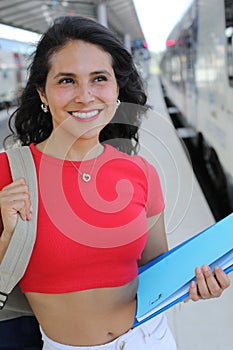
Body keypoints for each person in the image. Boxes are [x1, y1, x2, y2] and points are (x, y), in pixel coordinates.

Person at [0, 16, 230, 350]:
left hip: (152, 339)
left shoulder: (140, 171)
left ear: (116, 91)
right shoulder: (8, 172)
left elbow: (157, 273)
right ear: (42, 94)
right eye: (66, 80)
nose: (85, 95)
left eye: (99, 79)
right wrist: (7, 236)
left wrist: (197, 285)